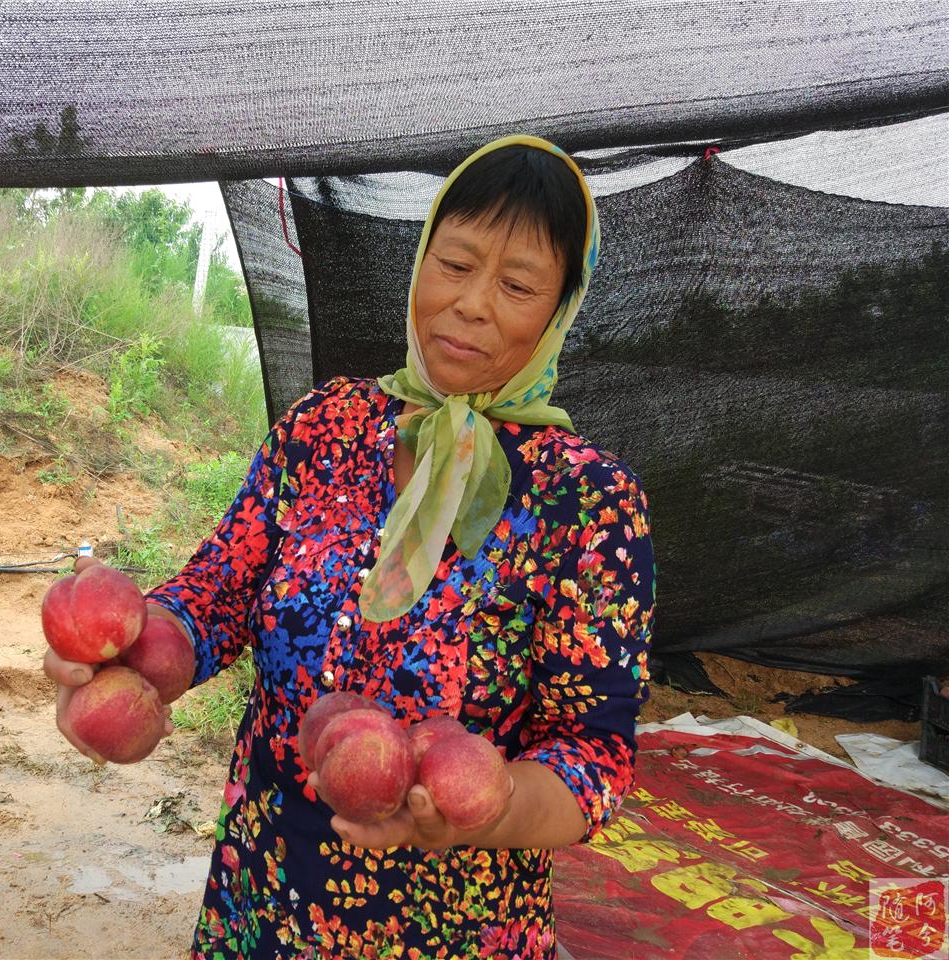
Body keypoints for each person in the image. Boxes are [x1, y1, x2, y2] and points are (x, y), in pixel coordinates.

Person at [45, 133, 656, 959]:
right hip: (265, 892)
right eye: (455, 263)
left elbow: (595, 756)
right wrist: (129, 659)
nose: (473, 303)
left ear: (558, 311)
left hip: (451, 926)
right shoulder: (326, 427)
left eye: (516, 285)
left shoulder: (586, 503)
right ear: (420, 264)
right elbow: (221, 589)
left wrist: (489, 806)